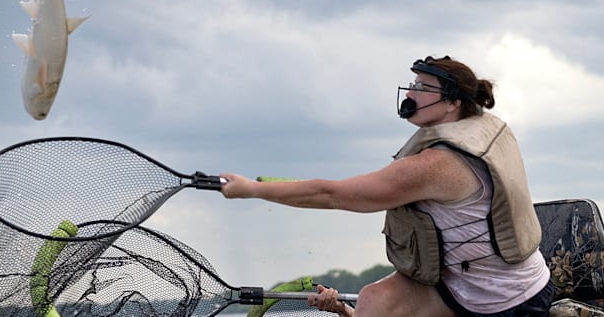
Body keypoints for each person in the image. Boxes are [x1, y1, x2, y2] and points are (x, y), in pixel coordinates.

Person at [220, 56, 554, 317]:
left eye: (423, 87)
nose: (410, 93)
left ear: (453, 102)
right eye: (413, 83)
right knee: (375, 300)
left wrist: (251, 189)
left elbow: (332, 195)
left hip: (505, 301)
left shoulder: (437, 165)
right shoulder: (477, 126)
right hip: (467, 283)